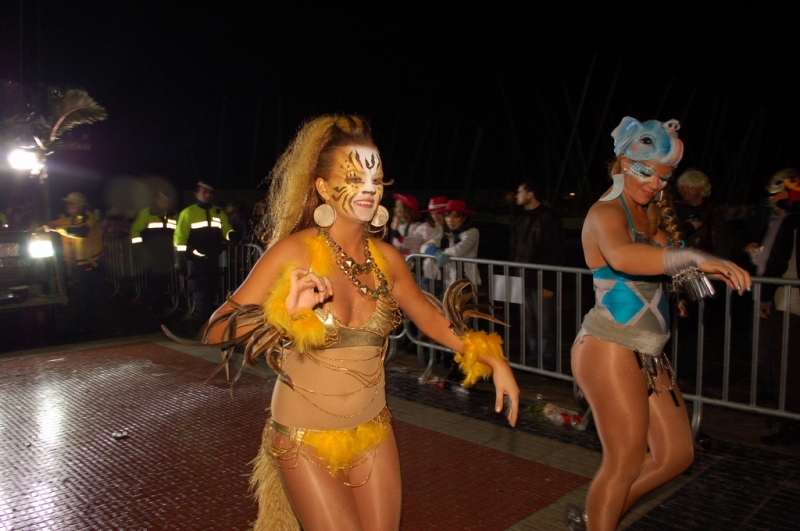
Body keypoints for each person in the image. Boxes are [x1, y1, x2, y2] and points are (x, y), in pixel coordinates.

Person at [186, 115, 519, 531]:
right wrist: (281, 316)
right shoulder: (294, 252)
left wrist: (493, 359)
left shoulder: (388, 259)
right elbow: (216, 328)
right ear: (323, 187)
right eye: (353, 175)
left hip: (373, 429)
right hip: (303, 435)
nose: (368, 187)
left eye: (375, 177)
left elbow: (432, 319)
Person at [568, 117, 752, 531]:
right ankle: (600, 519)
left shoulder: (649, 213)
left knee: (675, 456)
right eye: (646, 171)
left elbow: (668, 262)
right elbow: (624, 258)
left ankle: (599, 516)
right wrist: (689, 257)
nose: (655, 184)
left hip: (648, 353)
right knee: (625, 461)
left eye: (664, 177)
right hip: (609, 347)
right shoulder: (604, 212)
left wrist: (710, 267)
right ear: (622, 162)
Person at [756, 172, 800, 446]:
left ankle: (790, 423)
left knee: (786, 362)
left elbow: (775, 260)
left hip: (791, 302)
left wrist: (764, 297)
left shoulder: (788, 222)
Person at [512, 180, 565, 368]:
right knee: (529, 323)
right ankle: (535, 356)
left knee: (546, 323)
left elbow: (555, 252)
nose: (517, 195)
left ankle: (548, 358)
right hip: (524, 279)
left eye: (520, 191)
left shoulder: (548, 218)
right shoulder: (523, 218)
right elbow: (516, 248)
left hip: (541, 280)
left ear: (530, 194)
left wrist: (549, 283)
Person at [42, 192, 105, 333]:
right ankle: (85, 324)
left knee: (91, 297)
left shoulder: (89, 217)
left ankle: (90, 326)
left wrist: (56, 228)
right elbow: (57, 224)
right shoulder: (72, 219)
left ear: (79, 205)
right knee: (82, 297)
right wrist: (40, 228)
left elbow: (81, 232)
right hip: (81, 266)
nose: (67, 205)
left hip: (93, 265)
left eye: (71, 203)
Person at [173, 182, 234, 320]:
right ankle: (203, 319)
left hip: (213, 257)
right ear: (196, 194)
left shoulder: (218, 212)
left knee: (213, 287)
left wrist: (231, 234)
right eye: (204, 192)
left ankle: (208, 318)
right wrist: (179, 257)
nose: (208, 195)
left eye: (210, 193)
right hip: (196, 258)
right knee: (200, 288)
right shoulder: (188, 213)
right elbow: (180, 236)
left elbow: (226, 230)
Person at [130, 191, 178, 314]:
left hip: (166, 255)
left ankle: (164, 303)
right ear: (156, 200)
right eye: (163, 202)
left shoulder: (173, 214)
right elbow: (135, 231)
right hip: (151, 254)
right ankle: (156, 306)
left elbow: (177, 233)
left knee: (165, 280)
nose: (165, 204)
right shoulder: (146, 213)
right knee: (154, 281)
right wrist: (139, 249)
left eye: (167, 202)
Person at [420, 199, 481, 290]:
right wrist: (436, 252)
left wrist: (440, 253)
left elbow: (458, 250)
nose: (451, 220)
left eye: (456, 216)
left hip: (466, 283)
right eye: (447, 216)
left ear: (464, 218)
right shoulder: (445, 234)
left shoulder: (472, 232)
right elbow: (423, 247)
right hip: (447, 282)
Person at [673, 170, 732, 259]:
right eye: (681, 186)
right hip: (679, 260)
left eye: (688, 186)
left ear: (700, 189)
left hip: (706, 261)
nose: (683, 190)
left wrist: (718, 263)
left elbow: (723, 241)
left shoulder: (712, 211)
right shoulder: (675, 208)